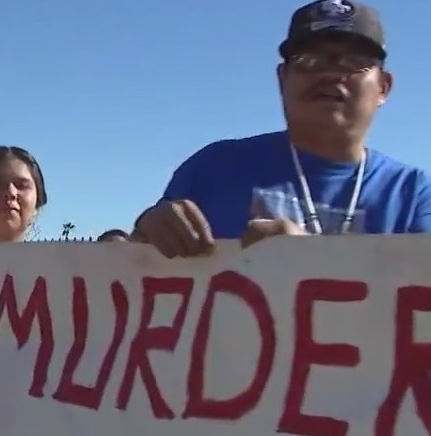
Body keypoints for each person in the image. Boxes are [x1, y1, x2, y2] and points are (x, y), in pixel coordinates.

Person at [133, 0, 431, 258]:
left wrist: (309, 259)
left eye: (353, 62)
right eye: (308, 60)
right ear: (282, 78)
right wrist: (146, 234)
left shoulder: (413, 194)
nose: (328, 72)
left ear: (383, 87)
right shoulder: (213, 168)